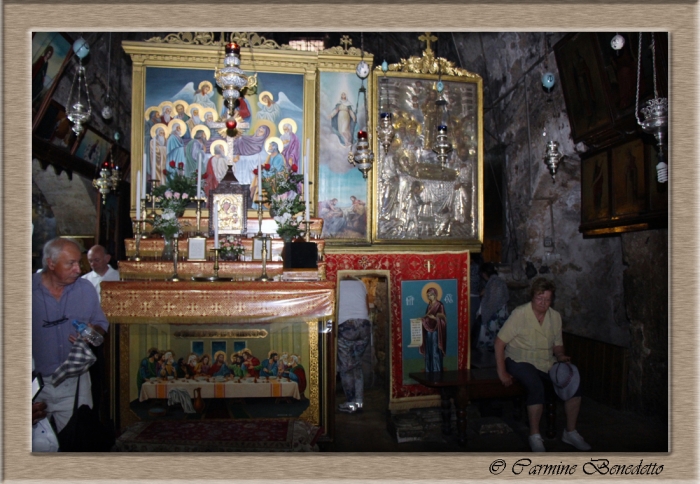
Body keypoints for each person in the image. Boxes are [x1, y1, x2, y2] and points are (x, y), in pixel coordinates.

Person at [495, 277, 591, 452]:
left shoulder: (555, 317)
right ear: (532, 297)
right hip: (519, 359)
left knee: (574, 381)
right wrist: (502, 372)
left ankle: (570, 432)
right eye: (540, 298)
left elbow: (557, 344)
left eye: (547, 299)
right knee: (535, 386)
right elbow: (499, 343)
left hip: (545, 361)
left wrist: (560, 355)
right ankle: (535, 436)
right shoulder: (520, 313)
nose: (543, 303)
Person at [32, 238, 109, 444]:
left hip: (74, 383)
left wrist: (93, 333)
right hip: (36, 385)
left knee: (77, 441)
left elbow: (101, 326)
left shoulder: (85, 289)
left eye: (79, 263)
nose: (78, 269)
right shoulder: (25, 291)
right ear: (50, 263)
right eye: (71, 264)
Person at [336, 276, 371, 413]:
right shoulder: (360, 282)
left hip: (346, 327)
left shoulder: (337, 281)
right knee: (356, 365)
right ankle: (359, 402)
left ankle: (350, 404)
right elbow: (367, 308)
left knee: (346, 368)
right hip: (364, 327)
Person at [475, 262, 509, 351]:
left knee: (492, 343)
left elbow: (492, 303)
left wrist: (484, 316)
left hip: (494, 316)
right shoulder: (496, 281)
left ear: (484, 274)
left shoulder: (495, 283)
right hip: (497, 314)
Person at [419, 287, 447, 372]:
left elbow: (443, 319)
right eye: (427, 295)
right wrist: (422, 320)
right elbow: (426, 317)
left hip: (436, 331)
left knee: (435, 350)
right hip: (428, 330)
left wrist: (435, 318)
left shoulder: (439, 305)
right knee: (429, 350)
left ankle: (437, 370)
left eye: (430, 295)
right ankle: (429, 370)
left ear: (434, 295)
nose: (429, 297)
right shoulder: (429, 306)